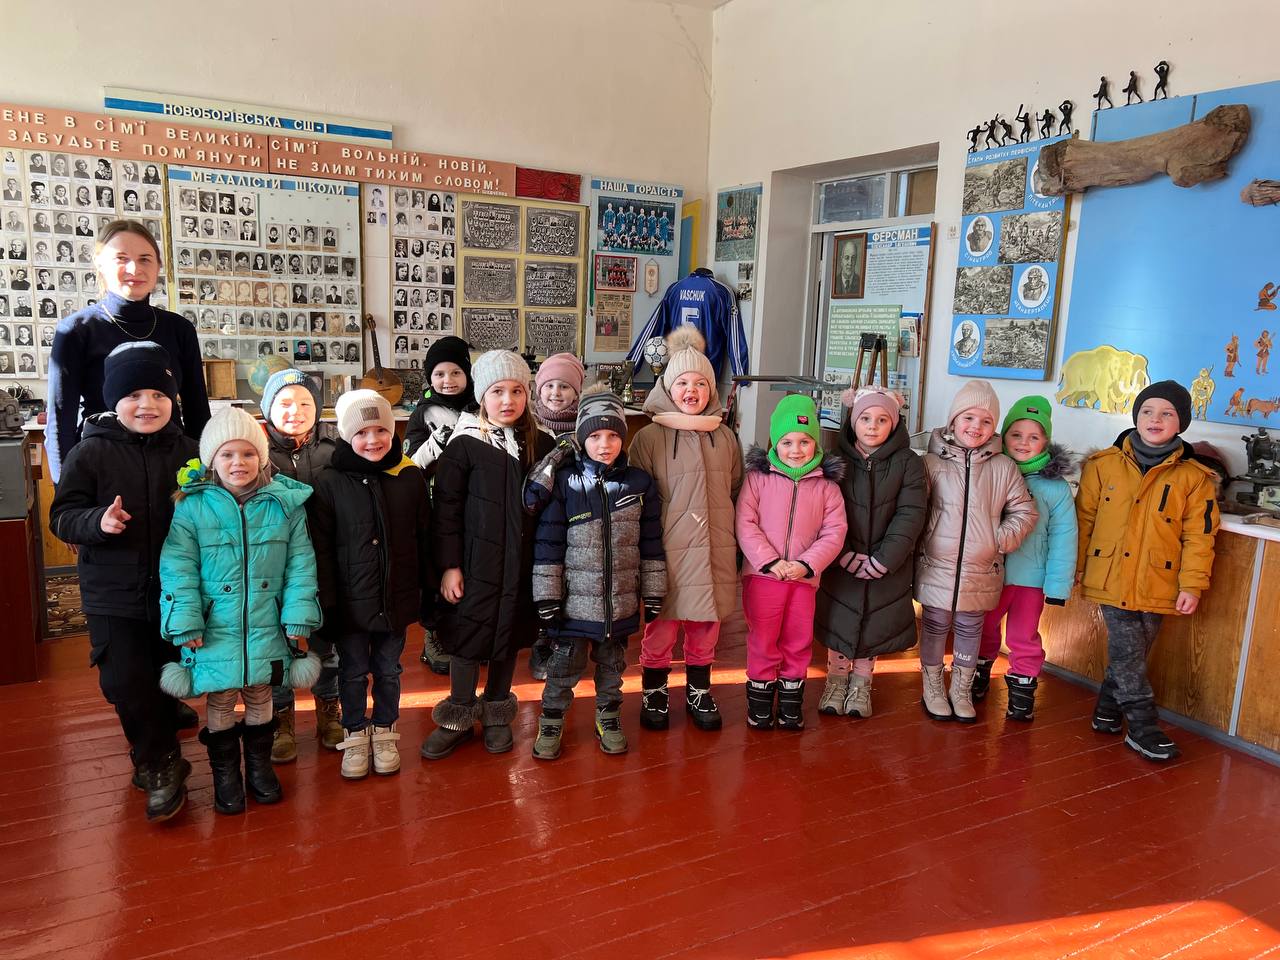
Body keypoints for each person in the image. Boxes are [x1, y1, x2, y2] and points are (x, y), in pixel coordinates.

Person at [48, 342, 200, 822]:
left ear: (173, 399)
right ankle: (159, 760)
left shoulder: (189, 451)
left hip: (175, 588)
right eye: (133, 394)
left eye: (158, 394)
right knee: (125, 679)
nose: (147, 404)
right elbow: (62, 515)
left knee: (167, 665)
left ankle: (160, 731)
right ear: (114, 400)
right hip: (112, 590)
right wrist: (97, 521)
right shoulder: (90, 452)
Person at [158, 407, 322, 815]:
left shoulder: (285, 504)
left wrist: (298, 613)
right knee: (221, 697)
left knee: (261, 692)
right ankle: (226, 776)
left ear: (262, 458)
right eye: (227, 454)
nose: (238, 463)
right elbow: (178, 566)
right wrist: (185, 619)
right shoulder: (192, 506)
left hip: (268, 619)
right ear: (211, 460)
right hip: (216, 624)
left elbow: (301, 562)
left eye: (248, 453)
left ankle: (260, 769)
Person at [1076, 381, 1219, 761]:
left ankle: (1107, 711)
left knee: (1133, 653)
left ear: (1181, 422)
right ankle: (1143, 727)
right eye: (1147, 411)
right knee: (1128, 652)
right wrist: (1075, 569)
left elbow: (1200, 537)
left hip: (1160, 580)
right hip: (1109, 574)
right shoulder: (1102, 465)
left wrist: (1192, 585)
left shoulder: (1195, 478)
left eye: (1167, 413)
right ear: (1136, 416)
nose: (1155, 419)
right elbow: (1083, 520)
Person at [421, 351, 554, 759]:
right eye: (497, 391)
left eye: (517, 391)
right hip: (474, 565)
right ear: (482, 396)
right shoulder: (464, 445)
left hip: (522, 565)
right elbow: (446, 511)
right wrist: (449, 566)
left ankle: (497, 711)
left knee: (508, 637)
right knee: (467, 637)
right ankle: (458, 713)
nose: (508, 400)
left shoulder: (541, 443)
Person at [525, 387, 666, 759]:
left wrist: (653, 590)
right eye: (595, 436)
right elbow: (548, 544)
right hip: (573, 606)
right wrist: (547, 596)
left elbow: (651, 542)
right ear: (581, 437)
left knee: (613, 667)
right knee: (563, 668)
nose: (605, 444)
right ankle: (551, 719)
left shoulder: (639, 484)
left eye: (614, 435)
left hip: (619, 602)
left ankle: (609, 716)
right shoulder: (566, 483)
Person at [308, 391, 432, 779]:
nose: (373, 439)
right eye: (362, 432)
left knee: (389, 669)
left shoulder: (409, 476)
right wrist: (327, 603)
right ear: (347, 436)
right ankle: (355, 731)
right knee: (353, 671)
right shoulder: (328, 482)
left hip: (396, 599)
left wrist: (426, 591)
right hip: (350, 605)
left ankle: (384, 728)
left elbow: (424, 537)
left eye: (381, 429)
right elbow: (321, 549)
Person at [628, 327, 744, 731]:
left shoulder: (724, 437)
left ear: (711, 390)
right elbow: (637, 499)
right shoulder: (648, 438)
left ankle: (699, 689)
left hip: (714, 548)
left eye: (700, 383)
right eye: (682, 383)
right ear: (667, 387)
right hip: (667, 552)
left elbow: (734, 488)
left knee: (705, 626)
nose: (691, 391)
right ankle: (655, 690)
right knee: (661, 626)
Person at [47, 220, 211, 484]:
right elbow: (59, 423)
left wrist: (203, 482)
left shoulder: (180, 329)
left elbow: (198, 414)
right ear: (100, 264)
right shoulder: (76, 331)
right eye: (121, 258)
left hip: (173, 473)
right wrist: (67, 497)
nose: (135, 269)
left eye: (145, 259)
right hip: (100, 472)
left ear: (158, 266)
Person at [915, 381, 1037, 722]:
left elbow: (1024, 511)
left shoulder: (1003, 467)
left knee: (971, 627)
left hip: (981, 567)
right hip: (936, 563)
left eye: (986, 421)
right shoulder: (930, 463)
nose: (976, 427)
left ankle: (961, 689)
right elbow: (914, 508)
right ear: (953, 420)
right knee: (935, 625)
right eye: (968, 417)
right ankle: (932, 687)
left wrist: (999, 540)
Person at [814, 388, 927, 719]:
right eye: (865, 418)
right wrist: (843, 554)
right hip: (841, 561)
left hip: (885, 563)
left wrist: (883, 560)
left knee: (873, 627)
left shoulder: (909, 463)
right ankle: (836, 681)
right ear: (853, 421)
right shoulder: (834, 459)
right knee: (840, 622)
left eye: (882, 420)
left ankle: (861, 684)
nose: (872, 426)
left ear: (894, 424)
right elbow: (822, 511)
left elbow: (911, 514)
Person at [736, 394, 846, 730]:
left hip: (803, 579)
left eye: (804, 442)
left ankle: (790, 703)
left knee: (798, 640)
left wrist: (806, 564)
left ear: (816, 443)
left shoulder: (827, 487)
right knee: (763, 638)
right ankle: (759, 703)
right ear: (775, 443)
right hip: (763, 577)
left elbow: (834, 532)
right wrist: (770, 561)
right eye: (787, 442)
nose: (796, 450)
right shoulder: (757, 479)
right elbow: (745, 523)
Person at [252, 369, 344, 761]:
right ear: (268, 408)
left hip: (323, 561)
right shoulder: (253, 449)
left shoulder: (336, 446)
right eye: (285, 403)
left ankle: (329, 709)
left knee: (326, 643)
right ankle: (281, 718)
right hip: (270, 566)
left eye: (305, 403)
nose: (296, 411)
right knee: (277, 644)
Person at [974, 397, 1077, 721]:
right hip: (989, 574)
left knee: (1023, 635)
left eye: (1034, 437)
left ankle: (1022, 689)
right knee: (983, 627)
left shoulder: (1054, 488)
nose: (1023, 443)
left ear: (1046, 441)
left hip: (1030, 579)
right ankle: (977, 674)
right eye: (1016, 434)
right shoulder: (990, 472)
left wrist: (1057, 586)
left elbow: (1064, 537)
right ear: (1004, 436)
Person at [402, 337, 474, 672]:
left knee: (467, 570)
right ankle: (433, 637)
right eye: (440, 374)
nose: (448, 380)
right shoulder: (421, 414)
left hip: (472, 503)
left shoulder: (479, 406)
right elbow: (410, 465)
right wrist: (435, 444)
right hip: (435, 505)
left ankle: (466, 635)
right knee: (436, 573)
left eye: (456, 372)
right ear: (430, 377)